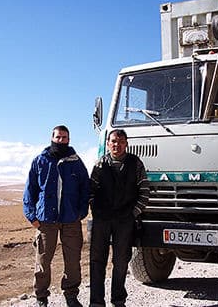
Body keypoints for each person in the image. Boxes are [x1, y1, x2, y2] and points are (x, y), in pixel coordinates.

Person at [23, 125, 89, 307]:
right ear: (52, 138)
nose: (61, 140)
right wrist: (31, 216)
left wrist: (81, 211)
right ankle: (41, 297)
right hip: (46, 220)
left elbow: (86, 188)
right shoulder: (40, 161)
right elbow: (30, 190)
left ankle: (71, 295)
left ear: (69, 139)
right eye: (58, 137)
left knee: (73, 260)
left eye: (64, 138)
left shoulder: (75, 161)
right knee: (43, 260)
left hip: (71, 219)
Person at [89, 129, 149, 307]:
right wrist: (97, 211)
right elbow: (90, 191)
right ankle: (96, 302)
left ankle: (118, 300)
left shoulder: (135, 163)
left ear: (126, 143)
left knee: (121, 260)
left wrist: (133, 213)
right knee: (97, 260)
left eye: (121, 141)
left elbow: (144, 191)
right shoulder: (100, 164)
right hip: (102, 219)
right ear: (108, 143)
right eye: (114, 141)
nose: (117, 144)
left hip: (125, 220)